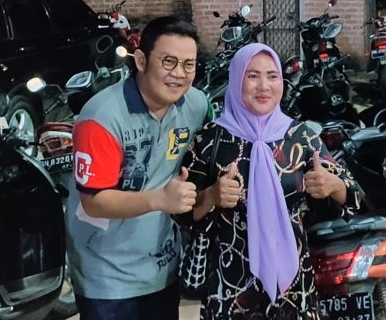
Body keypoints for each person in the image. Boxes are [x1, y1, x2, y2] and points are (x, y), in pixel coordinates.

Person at [178, 43, 362, 319]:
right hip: (230, 286)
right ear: (236, 80)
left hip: (294, 287)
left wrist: (333, 186)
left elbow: (354, 197)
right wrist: (211, 197)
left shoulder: (301, 137)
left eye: (272, 76)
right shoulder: (209, 140)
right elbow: (182, 213)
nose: (264, 86)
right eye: (252, 76)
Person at [66, 17, 209, 319]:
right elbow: (94, 202)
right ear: (141, 60)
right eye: (168, 61)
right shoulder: (102, 118)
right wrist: (159, 199)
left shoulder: (195, 105)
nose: (179, 74)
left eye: (189, 65)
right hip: (107, 276)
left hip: (161, 266)